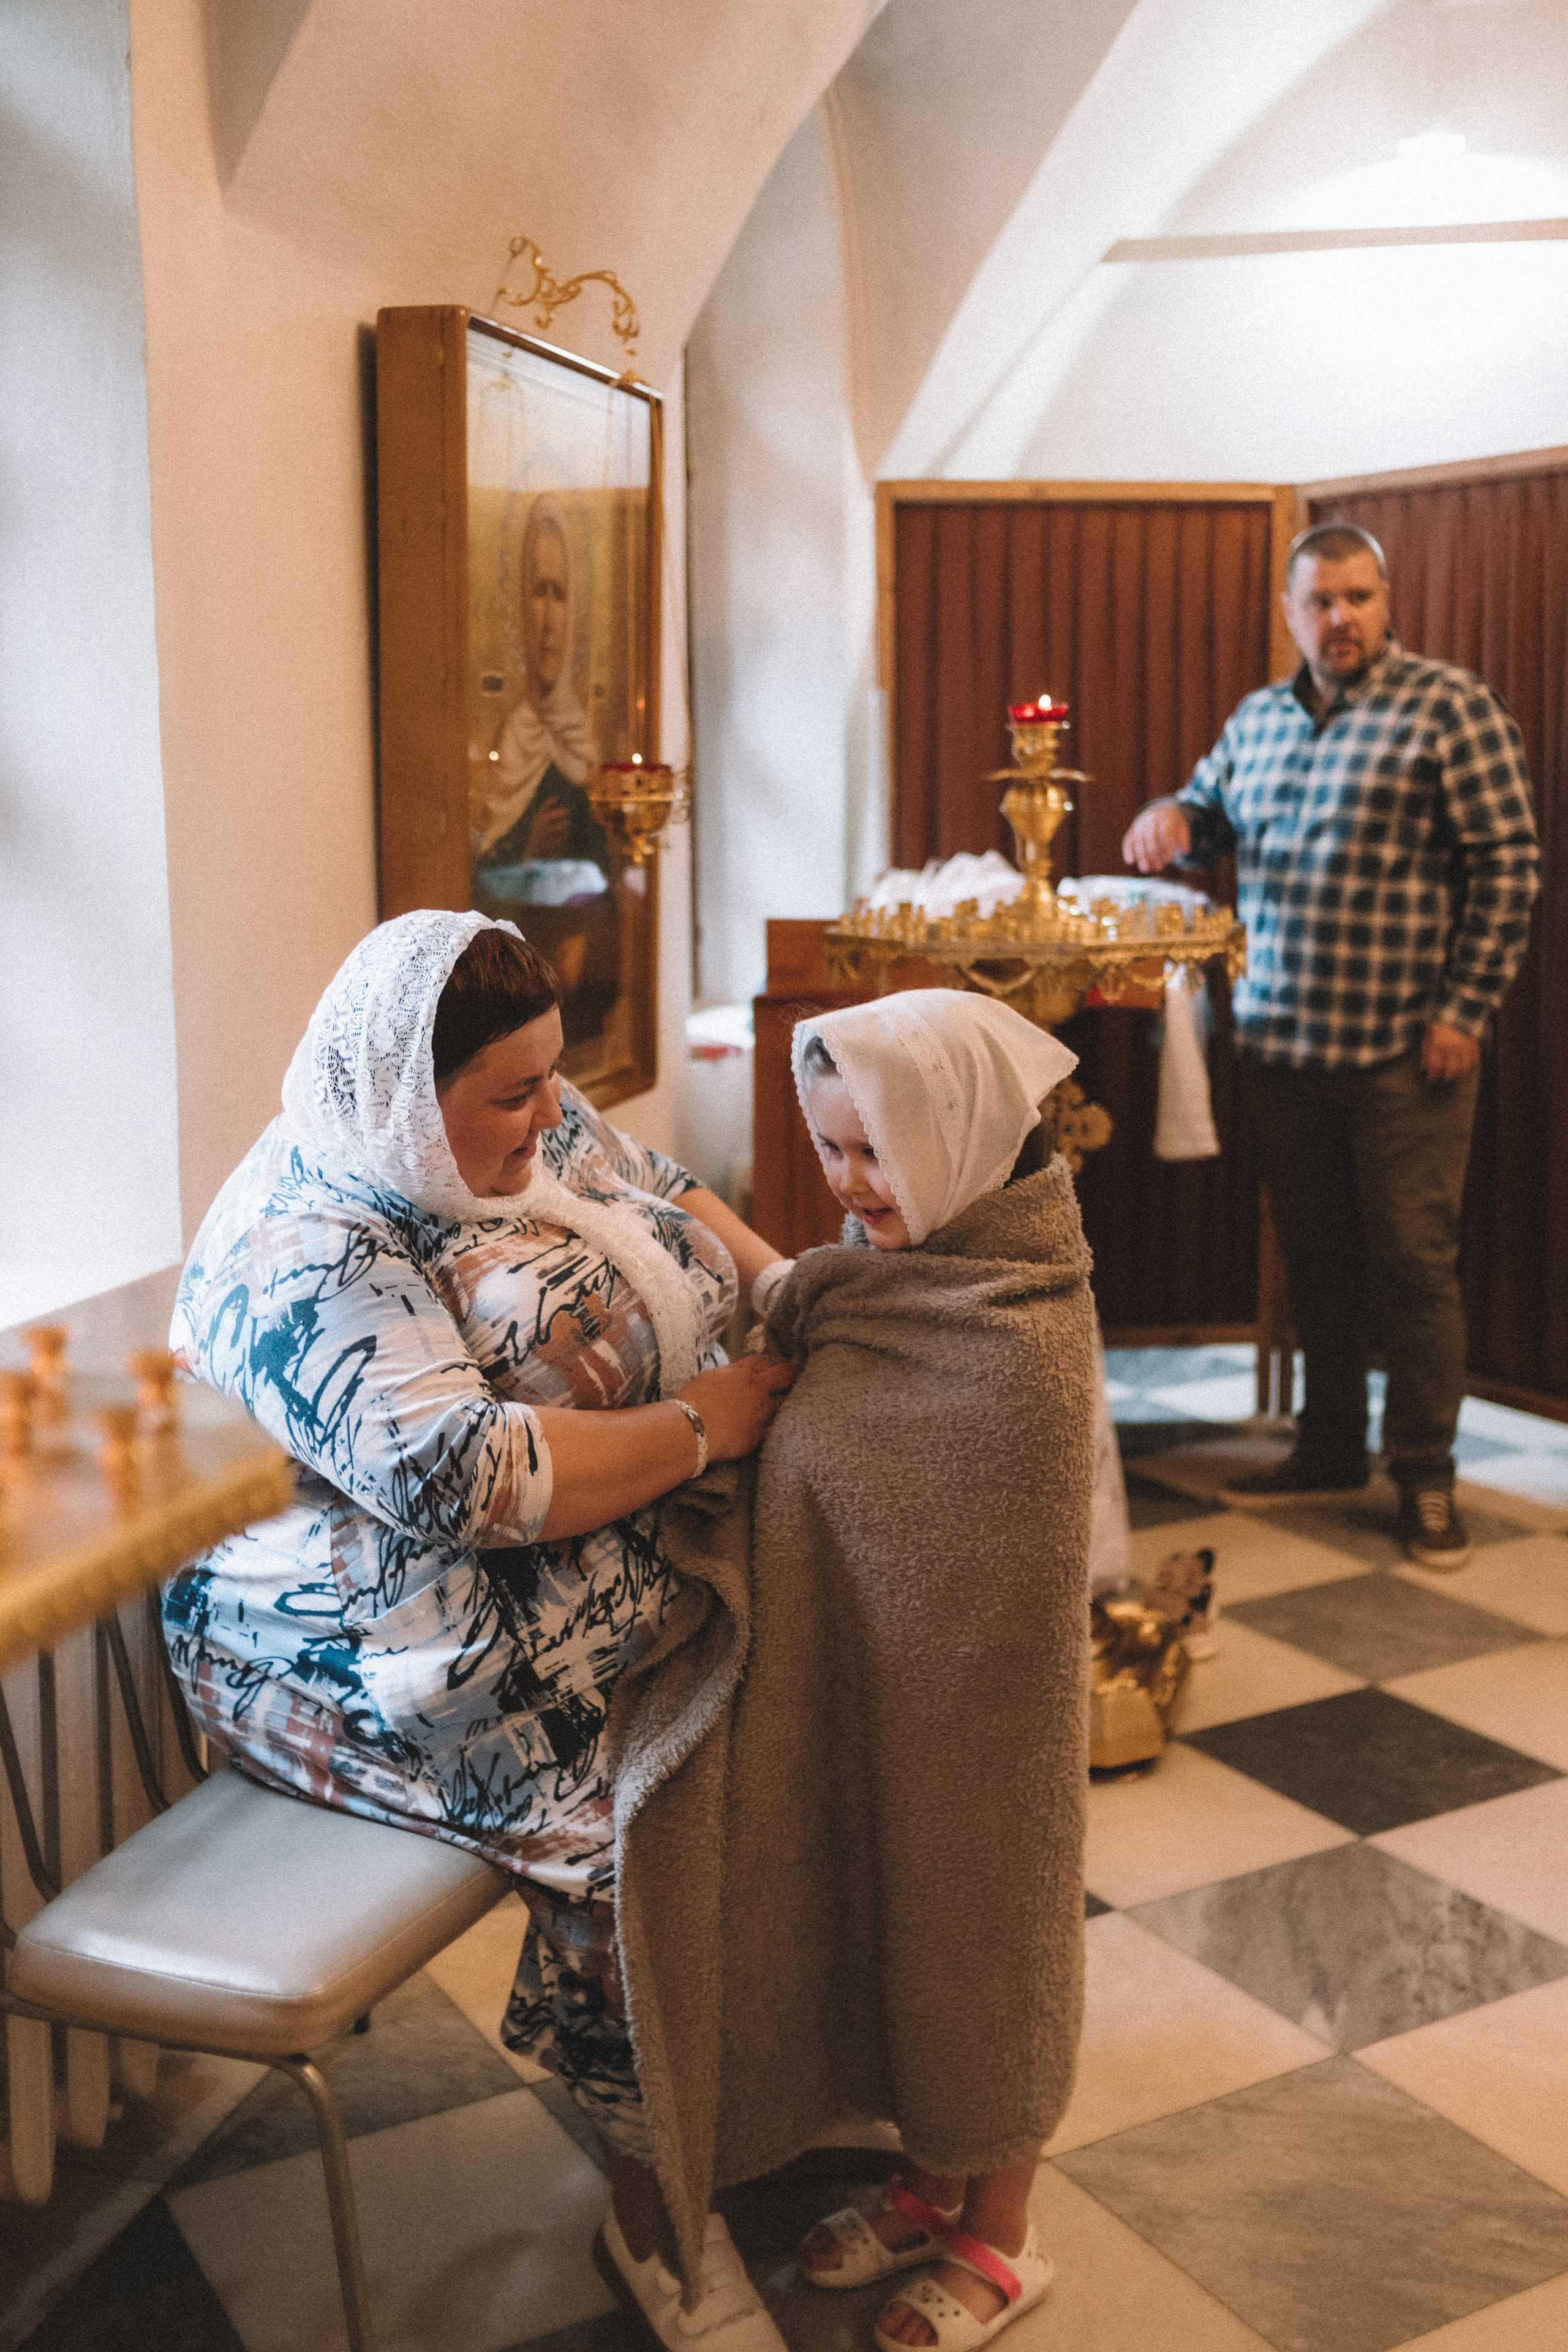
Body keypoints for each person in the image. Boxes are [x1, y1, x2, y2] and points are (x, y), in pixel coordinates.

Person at [164, 908, 797, 2352]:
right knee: (632, 1832)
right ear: (398, 1089)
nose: (545, 1116)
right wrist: (703, 1424)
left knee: (770, 1723)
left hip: (544, 1586)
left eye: (546, 1080)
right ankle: (654, 2225)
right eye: (508, 1095)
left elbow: (668, 1185)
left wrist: (787, 1287)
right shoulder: (308, 1238)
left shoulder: (528, 1112)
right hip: (339, 1645)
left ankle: (754, 2107)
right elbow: (467, 1476)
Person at [605, 992, 1096, 2352]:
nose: (845, 1183)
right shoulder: (883, 1280)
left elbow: (992, 1554)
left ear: (952, 1141)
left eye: (872, 1151)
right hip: (871, 1694)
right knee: (888, 1924)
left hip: (980, 1736)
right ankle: (926, 2182)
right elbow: (802, 1306)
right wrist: (679, 1197)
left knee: (981, 1935)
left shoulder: (1017, 1320)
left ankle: (1000, 2227)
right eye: (826, 1149)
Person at [1122, 522, 1540, 1568]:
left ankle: (1428, 1480)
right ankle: (1329, 1445)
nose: (1340, 619)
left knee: (1411, 1265)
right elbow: (1209, 814)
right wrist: (1172, 815)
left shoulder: (1450, 706)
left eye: (1357, 598)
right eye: (1320, 602)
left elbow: (1510, 864)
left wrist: (1465, 1010)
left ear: (1386, 600)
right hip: (1282, 1045)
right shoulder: (1258, 719)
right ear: (1291, 611)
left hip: (1409, 1051)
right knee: (1318, 1262)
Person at [471, 493, 619, 1045]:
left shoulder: (583, 743)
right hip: (510, 1000)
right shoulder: (507, 742)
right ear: (515, 606)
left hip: (579, 991)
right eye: (537, 591)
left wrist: (589, 938)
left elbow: (611, 878)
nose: (547, 617)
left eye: (560, 594)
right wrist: (527, 855)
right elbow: (472, 887)